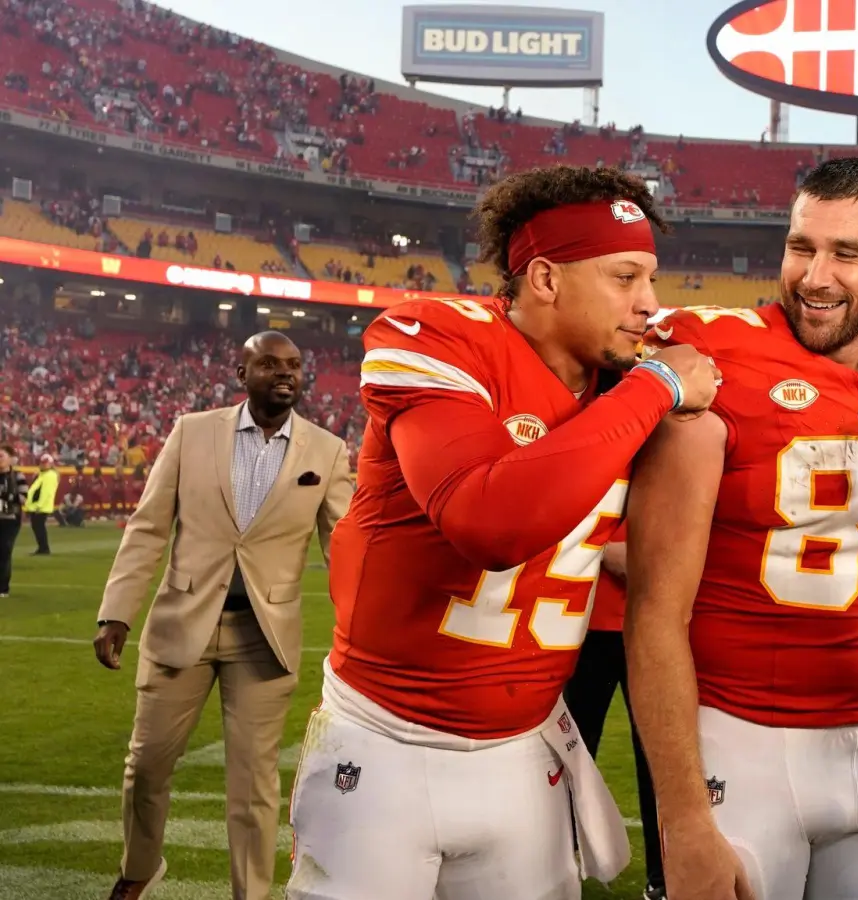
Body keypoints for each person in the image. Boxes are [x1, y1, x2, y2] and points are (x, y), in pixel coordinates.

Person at [289, 166, 719, 900]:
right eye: (624, 277)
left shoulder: (627, 379)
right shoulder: (438, 337)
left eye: (649, 277)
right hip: (385, 743)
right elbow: (490, 524)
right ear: (545, 278)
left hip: (527, 749)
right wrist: (658, 388)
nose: (649, 304)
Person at [626, 157, 858, 900]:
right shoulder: (712, 353)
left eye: (848, 254)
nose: (815, 276)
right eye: (802, 246)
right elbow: (656, 609)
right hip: (738, 737)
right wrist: (683, 817)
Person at [94, 331, 353, 900]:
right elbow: (148, 527)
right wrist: (116, 612)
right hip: (181, 623)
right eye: (269, 364)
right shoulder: (192, 432)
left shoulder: (327, 451)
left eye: (294, 366)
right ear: (241, 372)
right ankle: (140, 867)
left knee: (255, 785)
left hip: (265, 635)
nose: (285, 374)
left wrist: (366, 621)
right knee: (147, 767)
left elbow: (346, 547)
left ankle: (252, 894)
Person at [562, 531, 667, 900]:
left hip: (653, 625)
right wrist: (601, 545)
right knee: (569, 754)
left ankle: (663, 879)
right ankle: (556, 866)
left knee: (659, 762)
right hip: (587, 625)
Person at [23, 451, 57, 555]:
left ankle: (44, 548)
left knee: (39, 527)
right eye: (42, 463)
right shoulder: (43, 474)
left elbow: (46, 493)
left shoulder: (49, 475)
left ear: (50, 464)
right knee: (37, 527)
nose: (43, 464)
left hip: (41, 507)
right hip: (37, 506)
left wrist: (39, 506)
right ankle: (42, 548)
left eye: (45, 463)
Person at [0, 446, 21, 598]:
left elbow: (24, 497)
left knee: (4, 551)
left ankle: (3, 587)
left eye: (1, 456)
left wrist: (9, 499)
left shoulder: (16, 476)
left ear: (9, 459)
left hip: (10, 519)